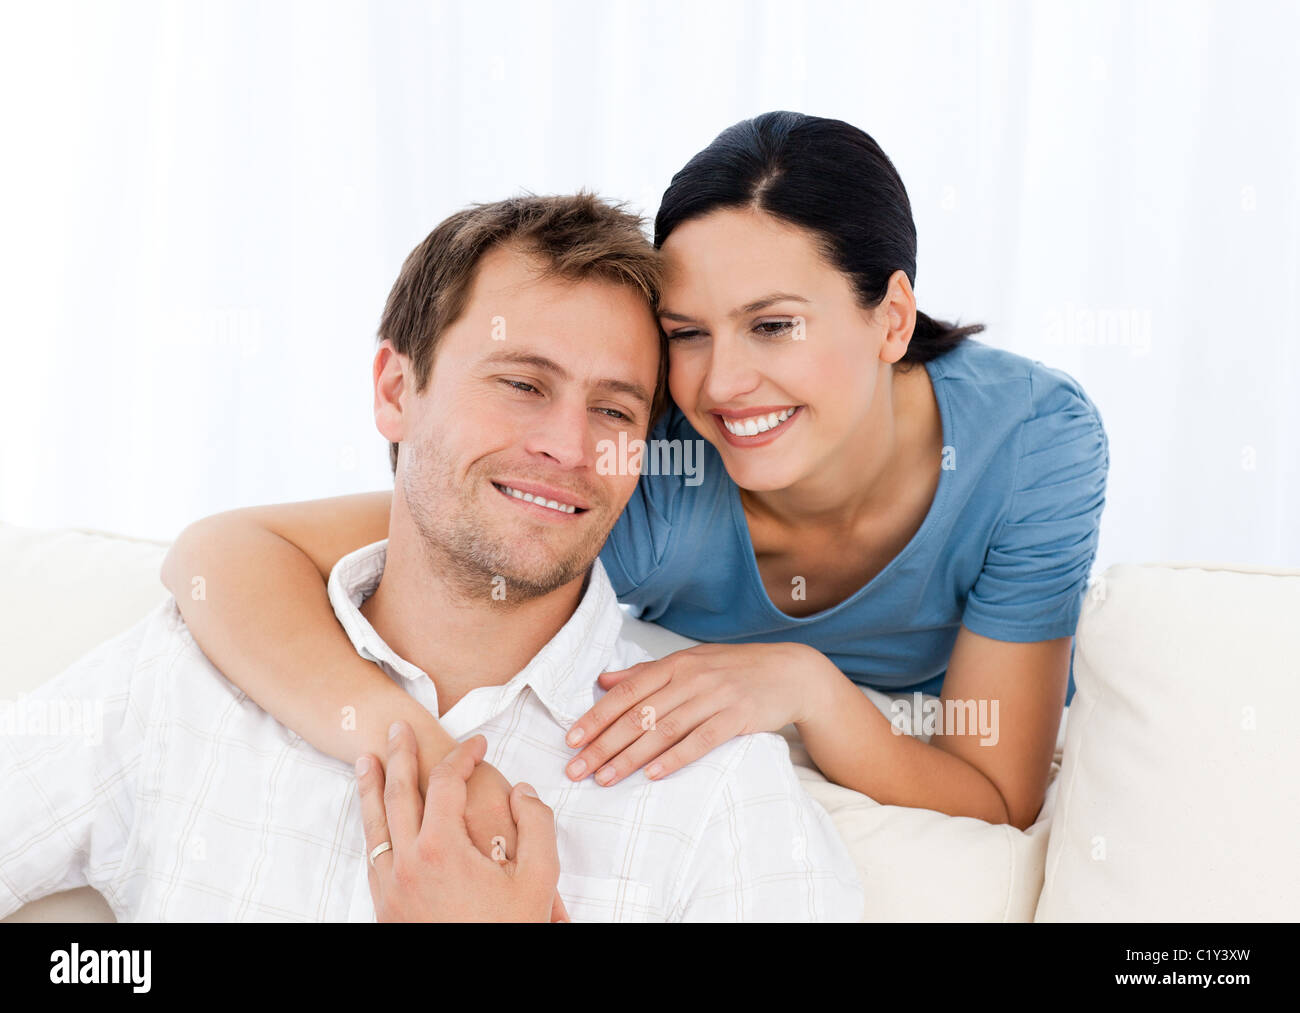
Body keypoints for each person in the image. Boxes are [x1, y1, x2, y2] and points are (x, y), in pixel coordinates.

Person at [162, 111, 1109, 852]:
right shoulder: (649, 477)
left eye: (773, 324)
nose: (722, 385)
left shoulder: (1033, 445)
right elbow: (227, 552)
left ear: (893, 318)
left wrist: (808, 685)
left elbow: (995, 791)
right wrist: (408, 742)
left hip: (905, 737)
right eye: (689, 333)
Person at [0, 193, 865, 923]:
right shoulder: (183, 674)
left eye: (613, 411)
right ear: (395, 390)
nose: (568, 446)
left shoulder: (717, 787)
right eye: (522, 384)